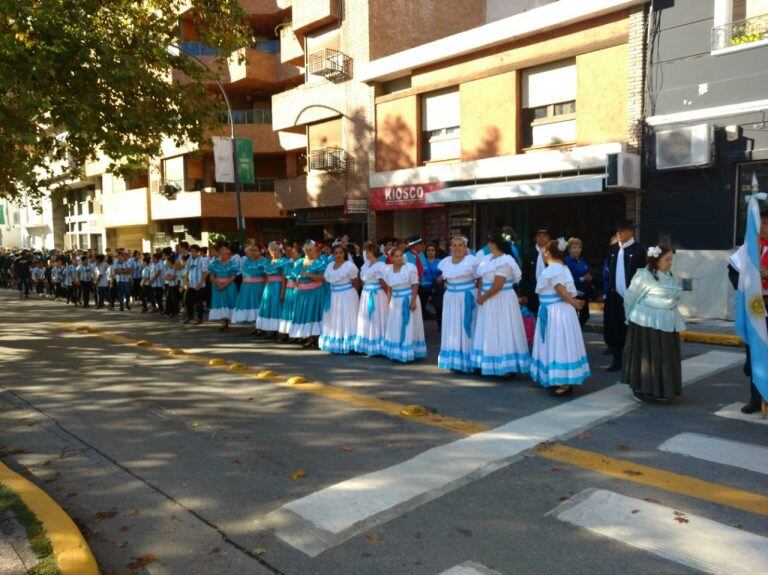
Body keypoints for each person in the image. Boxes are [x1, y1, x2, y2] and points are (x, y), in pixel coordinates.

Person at [622, 246, 685, 402]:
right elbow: (630, 297)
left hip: (666, 321)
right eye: (667, 259)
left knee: (663, 356)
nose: (670, 263)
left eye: (671, 259)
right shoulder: (644, 275)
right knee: (646, 356)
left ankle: (661, 389)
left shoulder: (669, 275)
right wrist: (628, 316)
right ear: (656, 260)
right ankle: (640, 387)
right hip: (646, 322)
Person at [530, 238, 590, 397]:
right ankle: (557, 377)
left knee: (558, 344)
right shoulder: (560, 267)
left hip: (556, 312)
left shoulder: (554, 269)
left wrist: (573, 302)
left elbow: (561, 291)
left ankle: (563, 381)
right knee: (558, 344)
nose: (542, 252)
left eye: (544, 249)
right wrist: (573, 302)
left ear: (548, 252)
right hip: (557, 310)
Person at [471, 233, 531, 376]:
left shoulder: (505, 260)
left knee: (502, 328)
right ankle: (487, 361)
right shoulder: (487, 259)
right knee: (488, 328)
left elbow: (498, 284)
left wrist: (484, 297)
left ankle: (506, 365)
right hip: (488, 298)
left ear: (495, 244)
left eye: (490, 241)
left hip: (501, 299)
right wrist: (480, 295)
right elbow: (481, 279)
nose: (488, 244)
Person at [728, 206, 768, 413]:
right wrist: (747, 281)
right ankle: (756, 397)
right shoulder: (749, 248)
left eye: (767, 224)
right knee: (755, 355)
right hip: (754, 307)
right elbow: (732, 271)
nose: (764, 229)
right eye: (761, 224)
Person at [604, 220, 646, 371]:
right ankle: (617, 359)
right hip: (615, 295)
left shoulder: (640, 249)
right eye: (617, 231)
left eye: (622, 231)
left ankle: (633, 360)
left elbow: (644, 273)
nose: (619, 234)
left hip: (633, 296)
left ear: (631, 232)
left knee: (632, 329)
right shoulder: (612, 250)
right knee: (615, 327)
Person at [437, 236, 478, 372]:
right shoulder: (445, 262)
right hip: (450, 298)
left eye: (460, 245)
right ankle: (454, 360)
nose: (457, 248)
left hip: (466, 297)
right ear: (450, 248)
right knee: (452, 326)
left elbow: (480, 279)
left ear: (465, 248)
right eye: (454, 245)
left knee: (466, 326)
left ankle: (468, 359)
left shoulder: (472, 261)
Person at [382, 247, 427, 363]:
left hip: (408, 298)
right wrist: (389, 300)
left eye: (400, 255)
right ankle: (397, 351)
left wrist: (413, 301)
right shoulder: (387, 270)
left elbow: (415, 284)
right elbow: (389, 287)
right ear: (391, 258)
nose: (399, 258)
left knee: (408, 325)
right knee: (396, 324)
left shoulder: (409, 268)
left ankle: (408, 351)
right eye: (396, 256)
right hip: (395, 301)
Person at [319, 245, 361, 354]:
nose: (338, 255)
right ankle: (336, 341)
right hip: (334, 295)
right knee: (336, 318)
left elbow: (356, 281)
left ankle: (349, 343)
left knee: (347, 317)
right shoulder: (330, 265)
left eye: (340, 253)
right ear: (333, 254)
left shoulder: (349, 266)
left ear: (344, 254)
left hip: (347, 295)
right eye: (336, 253)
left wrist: (354, 294)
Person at [353, 242, 389, 356]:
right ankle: (367, 343)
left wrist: (388, 296)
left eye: (367, 250)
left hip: (377, 295)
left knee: (377, 317)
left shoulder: (380, 265)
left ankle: (379, 343)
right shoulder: (365, 266)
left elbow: (383, 283)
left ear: (372, 252)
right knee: (367, 317)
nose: (365, 252)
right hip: (366, 294)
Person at [289, 240, 327, 348]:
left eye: (310, 250)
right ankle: (308, 336)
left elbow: (323, 277)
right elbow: (293, 275)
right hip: (302, 293)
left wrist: (309, 275)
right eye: (306, 250)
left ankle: (315, 338)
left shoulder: (319, 262)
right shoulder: (299, 262)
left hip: (315, 292)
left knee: (314, 313)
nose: (308, 252)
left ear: (315, 250)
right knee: (305, 313)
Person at [256, 242, 287, 337]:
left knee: (277, 308)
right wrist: (264, 289)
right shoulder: (268, 262)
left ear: (279, 250)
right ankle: (272, 329)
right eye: (271, 250)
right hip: (269, 287)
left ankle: (280, 331)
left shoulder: (283, 261)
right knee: (269, 307)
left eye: (275, 250)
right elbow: (266, 277)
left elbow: (284, 279)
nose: (273, 252)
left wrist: (282, 292)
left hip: (278, 287)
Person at [520, 227, 552, 314]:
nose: (541, 238)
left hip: (550, 292)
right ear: (535, 238)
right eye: (539, 236)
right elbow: (524, 276)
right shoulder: (529, 255)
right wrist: (522, 294)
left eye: (544, 236)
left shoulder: (553, 254)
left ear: (549, 238)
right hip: (532, 293)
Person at [232, 244, 265, 327]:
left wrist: (265, 287)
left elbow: (267, 276)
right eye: (252, 250)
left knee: (257, 305)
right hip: (246, 287)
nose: (253, 252)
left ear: (260, 252)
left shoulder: (264, 261)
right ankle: (256, 327)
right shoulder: (247, 260)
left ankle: (260, 327)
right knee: (250, 306)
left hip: (257, 286)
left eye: (256, 250)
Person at [207, 244, 238, 330]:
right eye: (222, 253)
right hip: (217, 285)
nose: (224, 255)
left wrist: (225, 284)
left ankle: (226, 321)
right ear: (219, 254)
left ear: (228, 254)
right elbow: (211, 277)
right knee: (220, 303)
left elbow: (233, 276)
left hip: (229, 285)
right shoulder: (214, 263)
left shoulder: (233, 263)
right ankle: (224, 322)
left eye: (226, 254)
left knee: (228, 302)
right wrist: (218, 284)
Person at [565, 237, 593, 327]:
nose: (577, 250)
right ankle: (574, 333)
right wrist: (582, 279)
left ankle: (577, 330)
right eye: (574, 247)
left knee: (585, 315)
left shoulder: (582, 260)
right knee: (573, 315)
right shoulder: (566, 261)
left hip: (584, 293)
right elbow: (567, 277)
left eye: (579, 247)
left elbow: (586, 272)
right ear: (569, 249)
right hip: (573, 293)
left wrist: (588, 278)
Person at [278, 244, 300, 340]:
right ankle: (287, 332)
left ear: (299, 254)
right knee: (288, 312)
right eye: (291, 252)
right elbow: (284, 279)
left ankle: (297, 334)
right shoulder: (287, 263)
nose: (291, 254)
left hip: (297, 290)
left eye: (294, 252)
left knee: (296, 312)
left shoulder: (301, 264)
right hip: (288, 290)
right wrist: (282, 292)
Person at [184, 245, 207, 325]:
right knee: (188, 301)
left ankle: (200, 319)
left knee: (199, 302)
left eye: (194, 251)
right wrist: (186, 282)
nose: (193, 253)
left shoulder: (202, 260)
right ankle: (190, 317)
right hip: (191, 285)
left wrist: (200, 283)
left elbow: (205, 272)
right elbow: (187, 271)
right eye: (191, 251)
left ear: (198, 252)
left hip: (199, 285)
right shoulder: (189, 260)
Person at [419, 243, 443, 324]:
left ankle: (440, 326)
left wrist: (442, 276)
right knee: (421, 307)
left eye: (432, 250)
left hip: (436, 286)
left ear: (435, 251)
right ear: (426, 252)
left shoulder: (440, 262)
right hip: (424, 287)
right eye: (428, 250)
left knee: (439, 307)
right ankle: (420, 328)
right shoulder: (422, 261)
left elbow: (446, 272)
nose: (430, 252)